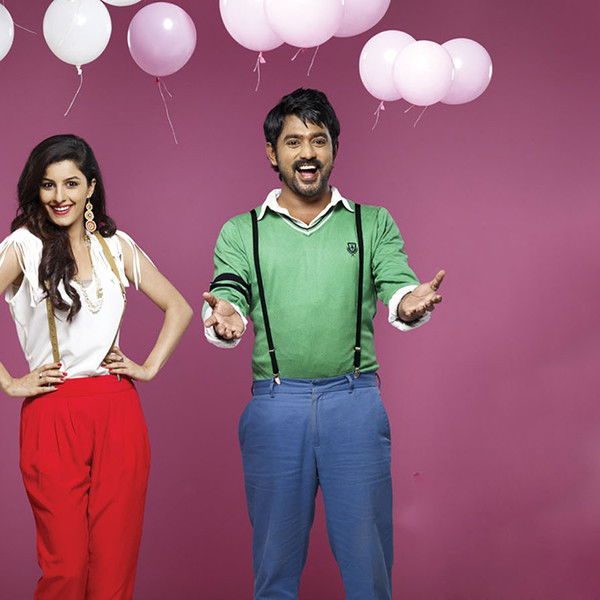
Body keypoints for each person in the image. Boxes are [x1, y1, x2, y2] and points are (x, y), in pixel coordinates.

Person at [202, 88, 446, 600]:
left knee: (368, 567)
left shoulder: (371, 222)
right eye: (293, 142)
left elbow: (396, 281)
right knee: (274, 568)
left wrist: (408, 302)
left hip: (354, 404)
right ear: (272, 153)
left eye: (318, 140)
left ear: (335, 147)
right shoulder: (241, 231)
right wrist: (224, 316)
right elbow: (230, 291)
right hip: (275, 406)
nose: (307, 153)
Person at [0, 134, 193, 600]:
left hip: (118, 412)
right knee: (65, 567)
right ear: (36, 189)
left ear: (90, 187)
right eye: (48, 184)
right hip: (53, 412)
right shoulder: (23, 246)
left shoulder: (116, 246)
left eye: (71, 183)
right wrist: (9, 382)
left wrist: (148, 367)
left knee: (114, 565)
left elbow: (180, 307)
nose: (59, 196)